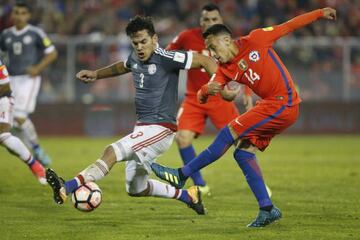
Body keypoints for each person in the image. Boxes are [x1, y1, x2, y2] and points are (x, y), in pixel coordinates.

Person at [151, 8, 337, 227]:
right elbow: (206, 93)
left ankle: (183, 174)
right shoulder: (224, 69)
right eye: (208, 49)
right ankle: (267, 208)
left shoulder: (257, 39)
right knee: (242, 153)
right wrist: (205, 91)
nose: (212, 53)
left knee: (229, 131)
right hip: (272, 105)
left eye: (213, 47)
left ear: (227, 40)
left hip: (283, 102)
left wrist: (319, 13)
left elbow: (289, 25)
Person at [46, 16, 218, 214]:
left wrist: (218, 84)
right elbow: (123, 66)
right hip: (143, 128)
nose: (139, 47)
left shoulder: (167, 58)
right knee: (136, 188)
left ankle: (65, 187)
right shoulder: (135, 57)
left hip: (162, 128)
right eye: (135, 43)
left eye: (144, 41)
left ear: (154, 39)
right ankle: (188, 196)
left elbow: (204, 60)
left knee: (112, 151)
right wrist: (96, 74)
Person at [167, 3, 253, 196]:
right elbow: (166, 55)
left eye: (214, 19)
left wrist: (247, 95)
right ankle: (200, 184)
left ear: (221, 21)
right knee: (182, 138)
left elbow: (244, 67)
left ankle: (258, 184)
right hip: (194, 97)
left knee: (243, 142)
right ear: (200, 21)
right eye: (206, 19)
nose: (210, 23)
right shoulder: (186, 37)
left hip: (221, 98)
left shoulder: (228, 41)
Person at [0, 1, 58, 166]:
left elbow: (52, 53)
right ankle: (31, 151)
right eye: (16, 13)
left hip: (28, 79)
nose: (19, 16)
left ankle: (37, 149)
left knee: (19, 116)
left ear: (29, 16)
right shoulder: (5, 35)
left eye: (23, 13)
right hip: (10, 80)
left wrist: (38, 68)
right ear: (12, 15)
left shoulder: (35, 33)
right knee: (13, 123)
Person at [0, 58, 46, 184]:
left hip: (2, 99)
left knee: (3, 136)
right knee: (6, 142)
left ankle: (36, 166)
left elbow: (4, 86)